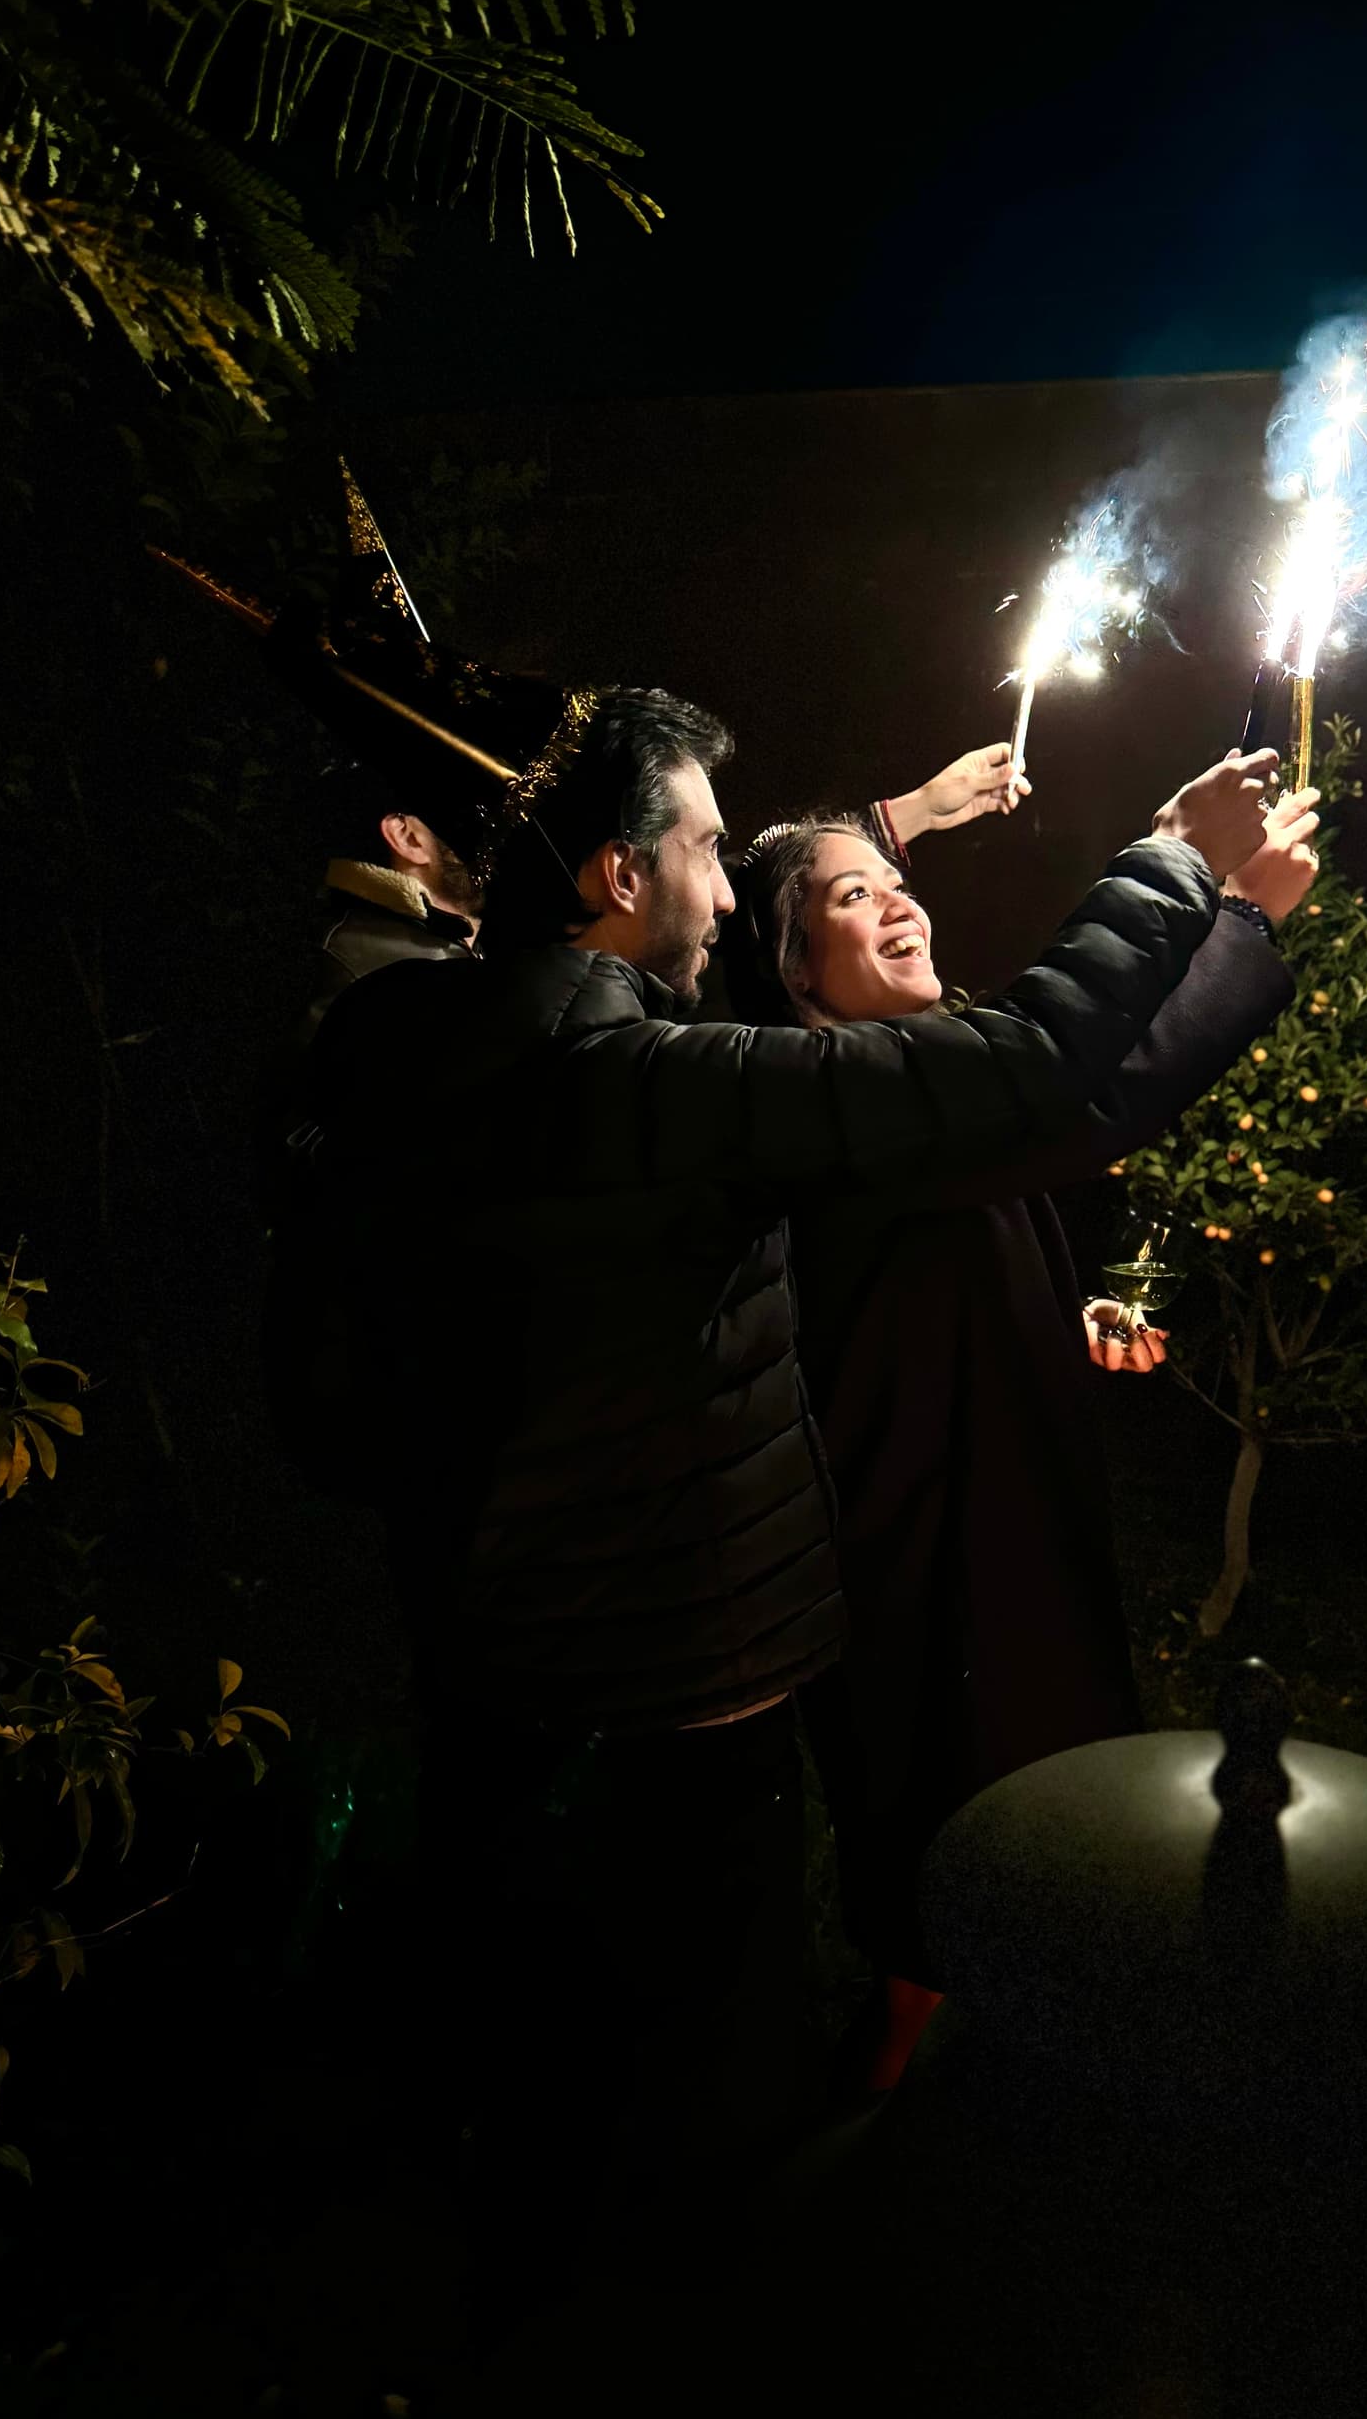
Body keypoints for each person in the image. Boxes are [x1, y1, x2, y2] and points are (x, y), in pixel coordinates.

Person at [288, 631, 1276, 2316]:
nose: (727, 891)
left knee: (586, 2068)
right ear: (618, 873)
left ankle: (601, 2312)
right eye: (703, 848)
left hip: (556, 1663)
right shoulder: (632, 1082)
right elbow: (1038, 1072)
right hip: (667, 1684)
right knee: (686, 2108)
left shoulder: (444, 1030)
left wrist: (906, 818)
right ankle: (696, 2376)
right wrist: (1197, 871)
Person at [718, 783, 1320, 2084]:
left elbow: (1023, 1163)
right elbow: (1093, 1100)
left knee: (1025, 1850)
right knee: (961, 1861)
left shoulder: (922, 1093)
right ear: (788, 968)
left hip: (1001, 1531)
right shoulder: (841, 1095)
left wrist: (1064, 1307)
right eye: (851, 893)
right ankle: (888, 2158)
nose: (901, 901)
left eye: (896, 881)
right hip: (928, 1566)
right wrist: (1230, 920)